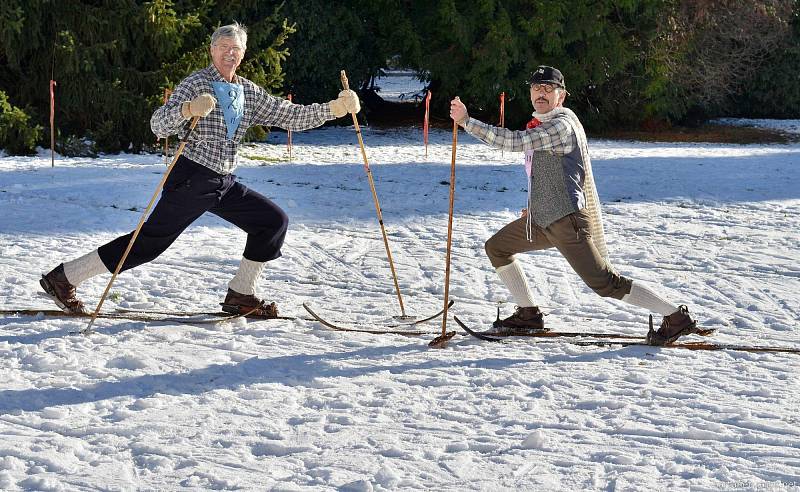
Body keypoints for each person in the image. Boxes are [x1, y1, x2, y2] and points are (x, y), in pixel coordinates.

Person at [40, 22, 360, 319]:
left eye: (235, 48)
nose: (229, 53)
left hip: (223, 181)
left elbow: (289, 115)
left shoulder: (247, 92)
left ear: (243, 54)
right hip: (192, 177)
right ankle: (64, 277)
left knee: (272, 222)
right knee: (148, 243)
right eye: (223, 47)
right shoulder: (196, 83)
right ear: (212, 50)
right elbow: (158, 123)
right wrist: (187, 109)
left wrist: (334, 109)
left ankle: (241, 294)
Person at [449, 65, 701, 345]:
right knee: (497, 247)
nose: (541, 94)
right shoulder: (545, 124)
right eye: (536, 88)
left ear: (561, 96)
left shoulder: (561, 125)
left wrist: (467, 121)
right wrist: (533, 206)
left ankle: (676, 317)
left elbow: (515, 142)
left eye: (548, 89)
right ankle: (528, 315)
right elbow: (544, 173)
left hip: (567, 221)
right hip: (542, 220)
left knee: (605, 283)